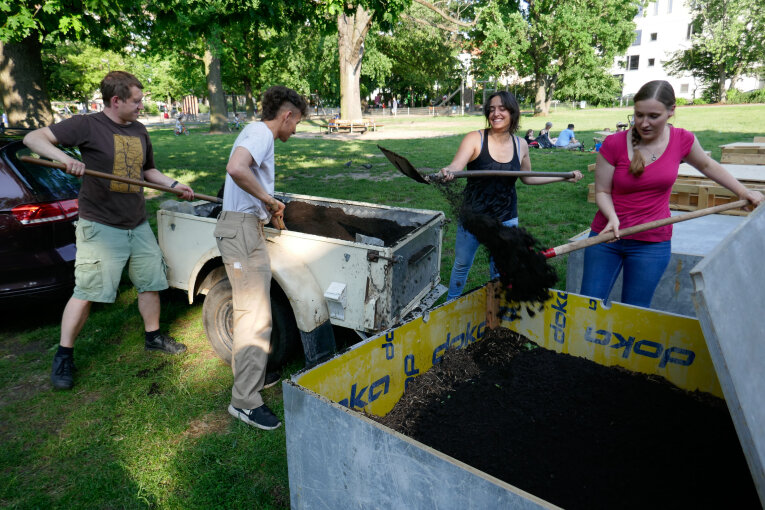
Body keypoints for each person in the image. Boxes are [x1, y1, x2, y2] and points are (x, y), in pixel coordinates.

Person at [23, 70, 195, 390]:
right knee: (87, 291)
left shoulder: (140, 130)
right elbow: (33, 139)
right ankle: (63, 355)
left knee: (150, 282)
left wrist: (174, 185)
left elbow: (148, 171)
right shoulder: (87, 125)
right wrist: (65, 159)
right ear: (116, 101)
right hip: (100, 224)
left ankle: (153, 337)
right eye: (136, 101)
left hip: (136, 221)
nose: (142, 106)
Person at [580, 80, 764, 307]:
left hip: (651, 242)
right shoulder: (614, 144)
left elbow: (708, 166)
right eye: (638, 115)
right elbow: (602, 191)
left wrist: (743, 192)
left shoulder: (682, 140)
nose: (644, 123)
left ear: (671, 111)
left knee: (634, 312)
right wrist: (612, 217)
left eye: (653, 116)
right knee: (587, 306)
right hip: (606, 236)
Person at [215, 85, 307, 430]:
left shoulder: (256, 134)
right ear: (287, 115)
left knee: (252, 313)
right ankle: (244, 402)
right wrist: (268, 201)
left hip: (246, 228)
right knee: (254, 317)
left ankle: (251, 378)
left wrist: (265, 209)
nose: (295, 130)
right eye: (296, 123)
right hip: (240, 232)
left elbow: (244, 176)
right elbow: (236, 168)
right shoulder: (261, 134)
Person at [440, 91, 583, 300]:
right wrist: (449, 171)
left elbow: (528, 177)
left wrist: (563, 178)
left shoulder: (521, 145)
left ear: (512, 112)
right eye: (491, 109)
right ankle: (450, 306)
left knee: (500, 268)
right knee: (462, 265)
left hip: (506, 217)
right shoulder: (475, 138)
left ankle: (495, 310)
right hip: (474, 216)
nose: (495, 113)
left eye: (501, 109)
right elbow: (456, 166)